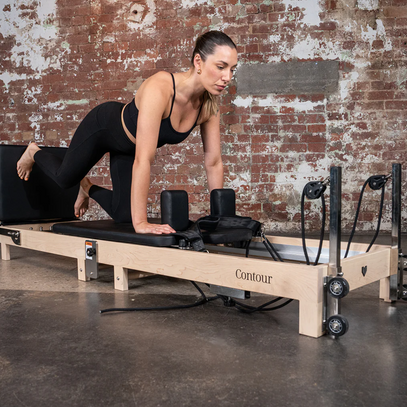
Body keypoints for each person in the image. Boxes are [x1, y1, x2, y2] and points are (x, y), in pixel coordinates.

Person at [16, 31, 238, 235]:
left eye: (232, 69)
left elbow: (214, 162)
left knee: (123, 215)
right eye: (221, 66)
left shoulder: (209, 105)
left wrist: (220, 220)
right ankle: (34, 151)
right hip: (104, 127)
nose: (227, 77)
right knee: (64, 179)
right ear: (198, 61)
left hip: (130, 147)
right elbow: (144, 158)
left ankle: (87, 187)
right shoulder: (160, 88)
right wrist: (141, 223)